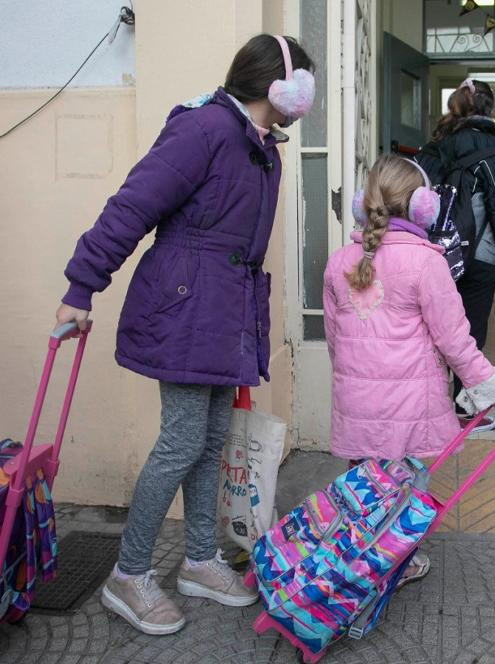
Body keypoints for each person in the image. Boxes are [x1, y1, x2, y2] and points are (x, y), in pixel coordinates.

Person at [54, 34, 315, 634]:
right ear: (277, 83)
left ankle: (199, 559)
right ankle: (129, 573)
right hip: (187, 304)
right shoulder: (204, 130)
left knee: (212, 436)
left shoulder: (258, 144)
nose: (309, 94)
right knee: (181, 440)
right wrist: (80, 286)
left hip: (226, 309)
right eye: (304, 78)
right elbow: (132, 206)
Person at [323, 154, 495, 582]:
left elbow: (335, 340)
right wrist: (492, 388)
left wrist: (355, 383)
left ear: (364, 203)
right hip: (409, 409)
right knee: (405, 488)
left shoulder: (340, 261)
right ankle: (398, 562)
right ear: (423, 207)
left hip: (358, 404)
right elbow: (455, 340)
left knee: (361, 488)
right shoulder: (426, 262)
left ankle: (354, 559)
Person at [419, 78, 495, 433]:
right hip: (478, 258)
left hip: (432, 254)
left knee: (431, 332)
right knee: (469, 332)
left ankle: (429, 410)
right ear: (488, 110)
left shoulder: (432, 149)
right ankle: (464, 410)